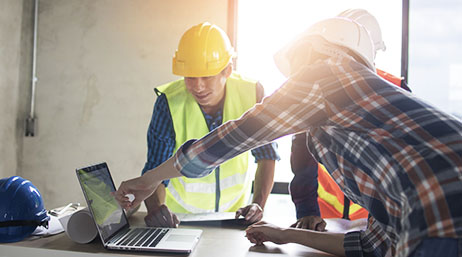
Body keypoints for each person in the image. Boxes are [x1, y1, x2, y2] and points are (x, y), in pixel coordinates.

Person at [115, 17, 462, 257]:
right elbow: (372, 244)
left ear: (313, 51)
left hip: (441, 206)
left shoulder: (328, 72)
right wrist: (284, 233)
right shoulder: (363, 123)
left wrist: (149, 179)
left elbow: (236, 137)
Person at [140, 22, 279, 228]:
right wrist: (155, 208)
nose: (198, 86)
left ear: (228, 70)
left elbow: (266, 155)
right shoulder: (168, 103)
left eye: (206, 76)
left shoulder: (252, 94)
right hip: (180, 219)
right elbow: (155, 169)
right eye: (190, 77)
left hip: (234, 217)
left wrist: (258, 205)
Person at [289, 9, 410, 231]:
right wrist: (306, 209)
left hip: (377, 218)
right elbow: (303, 154)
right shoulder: (320, 88)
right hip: (325, 218)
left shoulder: (397, 90)